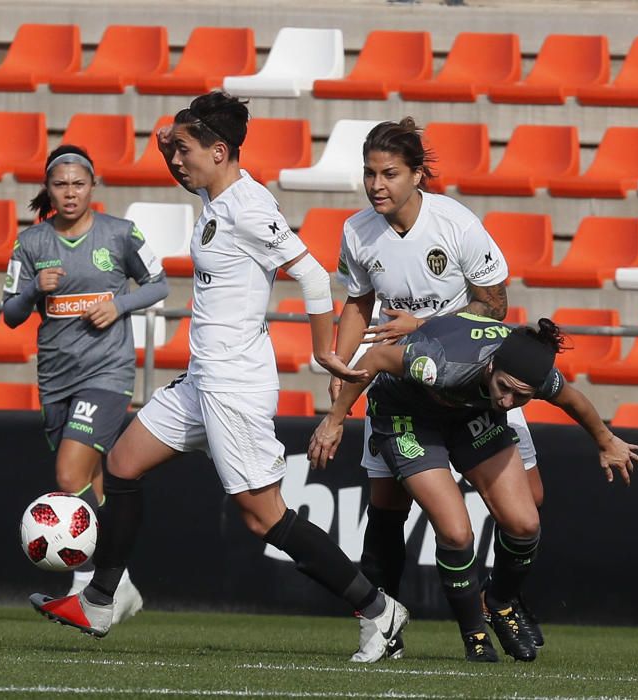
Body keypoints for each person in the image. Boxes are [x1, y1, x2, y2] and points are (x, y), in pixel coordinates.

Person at [28, 91, 409, 663]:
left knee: (265, 518)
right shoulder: (214, 190)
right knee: (123, 464)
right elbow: (185, 158)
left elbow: (308, 274)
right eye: (173, 151)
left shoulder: (249, 206)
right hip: (202, 379)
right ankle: (102, 598)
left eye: (184, 151)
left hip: (234, 386)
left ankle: (380, 611)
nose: (176, 161)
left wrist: (322, 352)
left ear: (220, 150)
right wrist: (171, 141)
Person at [310, 315, 638, 662]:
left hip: (468, 416)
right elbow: (376, 357)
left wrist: (606, 441)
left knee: (524, 524)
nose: (509, 401)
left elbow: (572, 399)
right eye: (505, 387)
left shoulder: (530, 375)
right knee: (456, 533)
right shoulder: (441, 365)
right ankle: (475, 635)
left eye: (521, 396)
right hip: (406, 415)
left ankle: (498, 601)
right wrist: (335, 419)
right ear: (491, 365)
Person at [331, 118, 546, 653]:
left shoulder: (455, 224)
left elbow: (495, 306)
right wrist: (342, 363)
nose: (377, 185)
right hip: (404, 386)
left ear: (417, 175)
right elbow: (358, 303)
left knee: (529, 502)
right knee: (386, 503)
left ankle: (505, 598)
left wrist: (425, 328)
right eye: (369, 174)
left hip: (474, 380)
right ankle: (383, 627)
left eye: (390, 174)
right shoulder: (357, 231)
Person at [3, 144, 169, 622]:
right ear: (48, 189)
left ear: (92, 186)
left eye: (78, 184)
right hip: (56, 377)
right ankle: (121, 585)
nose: (70, 193)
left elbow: (160, 283)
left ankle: (88, 591)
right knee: (94, 484)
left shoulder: (120, 234)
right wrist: (35, 289)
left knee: (68, 476)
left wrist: (119, 305)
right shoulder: (31, 244)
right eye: (61, 184)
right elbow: (11, 314)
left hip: (107, 373)